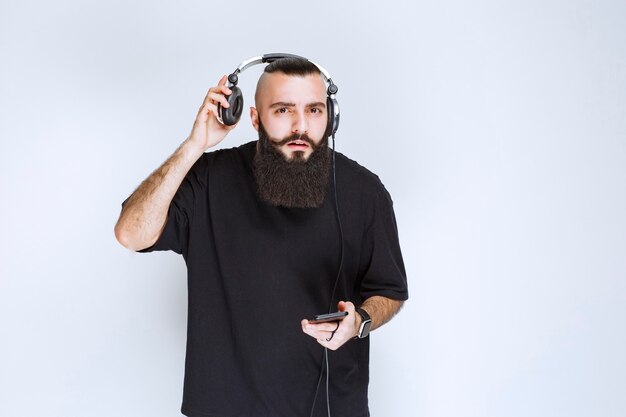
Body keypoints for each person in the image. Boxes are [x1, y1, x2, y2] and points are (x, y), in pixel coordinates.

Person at [115, 56, 408, 417]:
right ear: (254, 118)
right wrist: (195, 144)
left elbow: (390, 291)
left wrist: (359, 321)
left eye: (314, 110)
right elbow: (131, 233)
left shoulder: (365, 192)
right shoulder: (209, 179)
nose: (301, 126)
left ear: (330, 117)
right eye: (283, 110)